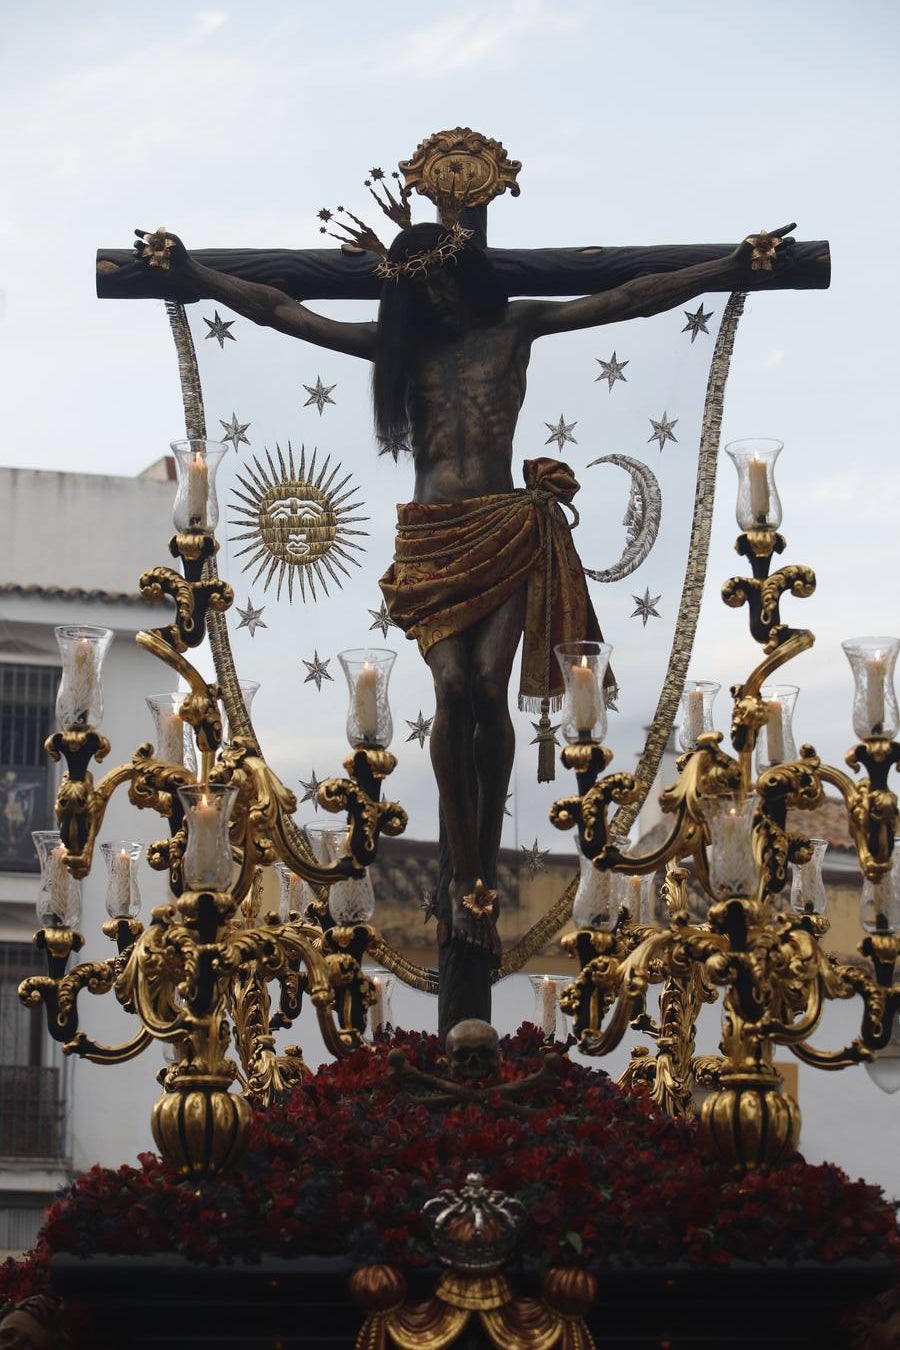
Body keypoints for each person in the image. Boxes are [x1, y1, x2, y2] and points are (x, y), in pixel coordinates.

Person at [135, 219, 793, 1032]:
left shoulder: (513, 326)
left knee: (488, 688)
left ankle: (477, 866)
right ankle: (464, 867)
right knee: (452, 686)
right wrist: (193, 270)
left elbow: (623, 298)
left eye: (445, 283)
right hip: (433, 532)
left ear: (469, 279)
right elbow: (281, 311)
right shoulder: (399, 349)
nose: (436, 298)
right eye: (421, 289)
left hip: (506, 524)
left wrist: (727, 264)